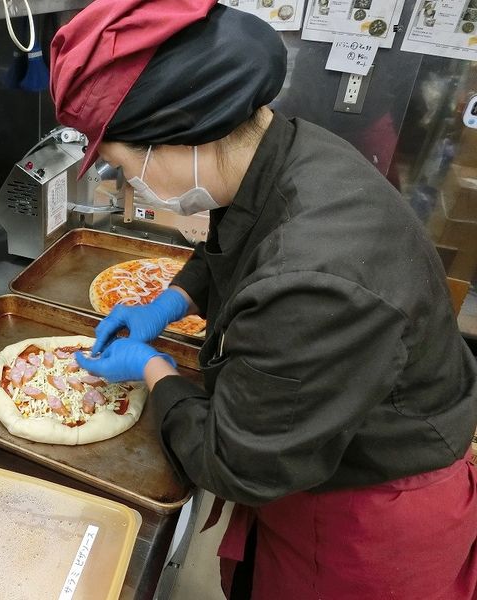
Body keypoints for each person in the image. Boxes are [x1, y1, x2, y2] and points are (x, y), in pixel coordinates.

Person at [49, 1, 477, 599]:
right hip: (323, 456)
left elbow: (238, 465)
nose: (127, 187)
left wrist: (154, 369)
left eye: (123, 166)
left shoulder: (314, 284)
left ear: (179, 135)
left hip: (366, 516)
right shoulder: (285, 149)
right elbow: (242, 227)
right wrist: (171, 302)